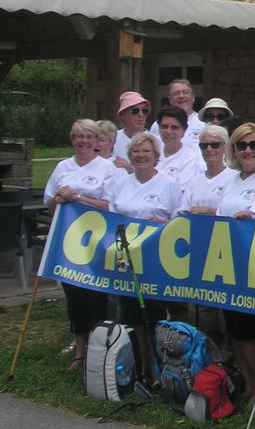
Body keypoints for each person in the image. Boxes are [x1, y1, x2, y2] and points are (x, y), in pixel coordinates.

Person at [44, 119, 121, 371]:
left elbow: (108, 204)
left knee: (96, 296)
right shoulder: (62, 166)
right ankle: (79, 351)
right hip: (68, 242)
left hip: (97, 241)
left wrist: (77, 197)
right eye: (79, 136)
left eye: (89, 137)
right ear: (72, 139)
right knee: (74, 296)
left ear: (97, 140)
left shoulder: (106, 168)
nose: (84, 141)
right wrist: (59, 198)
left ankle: (99, 351)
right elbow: (50, 205)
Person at [109, 131, 185, 374]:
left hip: (155, 260)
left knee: (153, 314)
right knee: (130, 314)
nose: (141, 155)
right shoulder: (121, 182)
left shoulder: (168, 184)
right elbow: (111, 216)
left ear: (156, 156)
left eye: (146, 151)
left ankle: (159, 364)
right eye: (136, 151)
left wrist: (161, 226)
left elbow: (178, 222)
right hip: (125, 259)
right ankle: (139, 363)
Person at [217, 122, 255, 401]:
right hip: (227, 264)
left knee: (247, 331)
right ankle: (248, 383)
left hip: (254, 266)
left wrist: (252, 216)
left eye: (254, 145)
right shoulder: (229, 181)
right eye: (241, 145)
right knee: (232, 331)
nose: (248, 150)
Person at [181, 124, 233, 214]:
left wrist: (210, 212)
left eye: (215, 145)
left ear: (225, 147)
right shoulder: (194, 182)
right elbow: (184, 211)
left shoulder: (234, 177)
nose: (209, 149)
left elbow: (237, 212)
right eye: (204, 145)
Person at [154, 106, 203, 194]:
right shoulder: (152, 152)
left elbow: (180, 191)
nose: (168, 132)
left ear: (184, 131)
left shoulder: (190, 158)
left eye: (174, 127)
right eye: (164, 126)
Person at [149, 79, 204, 144]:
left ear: (193, 97)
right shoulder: (157, 125)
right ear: (170, 99)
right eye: (176, 93)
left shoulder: (202, 123)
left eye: (185, 92)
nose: (181, 96)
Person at [113, 91, 151, 162]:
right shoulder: (113, 139)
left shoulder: (155, 141)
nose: (140, 114)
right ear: (122, 115)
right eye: (135, 110)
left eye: (144, 111)